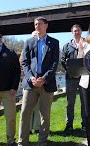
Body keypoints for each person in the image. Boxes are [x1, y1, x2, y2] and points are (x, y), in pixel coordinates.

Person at [18, 17, 59, 146]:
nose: (37, 26)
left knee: (45, 115)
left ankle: (42, 141)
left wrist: (44, 78)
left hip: (47, 83)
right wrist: (31, 77)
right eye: (35, 24)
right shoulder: (29, 42)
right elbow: (25, 63)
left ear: (46, 25)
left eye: (39, 24)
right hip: (30, 84)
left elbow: (54, 64)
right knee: (25, 113)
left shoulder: (54, 42)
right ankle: (22, 142)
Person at [60, 24, 87, 134]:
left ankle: (85, 124)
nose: (76, 32)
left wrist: (82, 72)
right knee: (70, 103)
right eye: (74, 31)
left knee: (84, 102)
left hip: (84, 77)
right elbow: (62, 61)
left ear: (81, 32)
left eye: (78, 30)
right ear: (72, 32)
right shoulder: (66, 46)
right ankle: (69, 125)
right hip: (70, 78)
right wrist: (72, 72)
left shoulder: (87, 44)